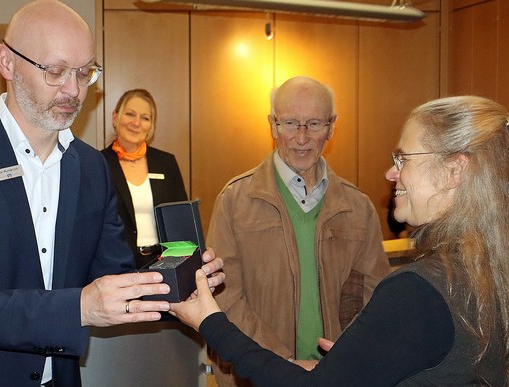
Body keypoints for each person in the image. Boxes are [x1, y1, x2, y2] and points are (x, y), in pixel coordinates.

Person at [0, 1, 223, 386]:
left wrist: (181, 285)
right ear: (7, 62)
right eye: (55, 71)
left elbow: (115, 276)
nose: (74, 90)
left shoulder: (89, 167)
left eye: (85, 73)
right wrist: (78, 308)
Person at [171, 95, 509, 385]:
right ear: (273, 125)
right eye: (290, 123)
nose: (391, 173)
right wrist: (357, 361)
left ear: (454, 171)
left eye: (403, 159)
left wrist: (209, 321)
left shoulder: (418, 289)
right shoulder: (487, 270)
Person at [207, 76, 391, 385]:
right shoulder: (234, 201)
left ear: (332, 127)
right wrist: (281, 363)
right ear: (272, 125)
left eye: (314, 124)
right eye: (290, 123)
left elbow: (375, 298)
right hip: (255, 375)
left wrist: (341, 360)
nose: (301, 138)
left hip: (334, 376)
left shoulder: (358, 207)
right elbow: (224, 299)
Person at [102, 89, 188, 269]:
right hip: (117, 267)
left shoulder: (166, 163)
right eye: (130, 114)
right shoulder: (99, 163)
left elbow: (180, 221)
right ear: (115, 117)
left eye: (145, 118)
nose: (136, 123)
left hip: (163, 265)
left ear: (152, 126)